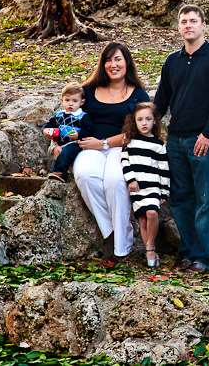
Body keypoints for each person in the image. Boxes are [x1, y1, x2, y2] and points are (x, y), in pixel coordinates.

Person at [154, 4, 209, 274]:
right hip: (175, 140)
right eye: (183, 21)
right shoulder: (172, 61)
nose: (188, 25)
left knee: (205, 200)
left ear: (203, 26)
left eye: (193, 21)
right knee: (181, 200)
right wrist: (146, 131)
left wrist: (208, 134)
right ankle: (187, 253)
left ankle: (204, 258)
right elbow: (161, 101)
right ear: (178, 27)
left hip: (204, 141)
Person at [74, 42, 151, 260]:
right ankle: (113, 233)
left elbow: (139, 131)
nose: (113, 64)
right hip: (89, 146)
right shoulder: (88, 91)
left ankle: (121, 249)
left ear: (127, 62)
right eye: (108, 59)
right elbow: (70, 117)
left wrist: (104, 143)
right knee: (86, 175)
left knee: (115, 181)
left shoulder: (139, 95)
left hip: (122, 147)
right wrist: (57, 145)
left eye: (118, 59)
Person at [120, 102, 170, 268]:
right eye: (140, 119)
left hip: (153, 187)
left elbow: (164, 169)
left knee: (152, 213)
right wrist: (131, 180)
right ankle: (150, 252)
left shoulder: (158, 145)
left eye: (148, 119)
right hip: (137, 188)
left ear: (154, 121)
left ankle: (150, 246)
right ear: (134, 121)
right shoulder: (130, 143)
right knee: (142, 220)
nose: (144, 123)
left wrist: (164, 192)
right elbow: (125, 162)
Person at [43, 82, 94, 183]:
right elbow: (48, 125)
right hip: (61, 143)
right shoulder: (59, 115)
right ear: (62, 100)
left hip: (75, 143)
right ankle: (54, 173)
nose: (70, 104)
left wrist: (78, 135)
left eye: (75, 101)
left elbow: (88, 130)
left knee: (67, 151)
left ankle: (60, 172)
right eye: (67, 100)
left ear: (82, 102)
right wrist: (46, 131)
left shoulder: (82, 116)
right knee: (59, 154)